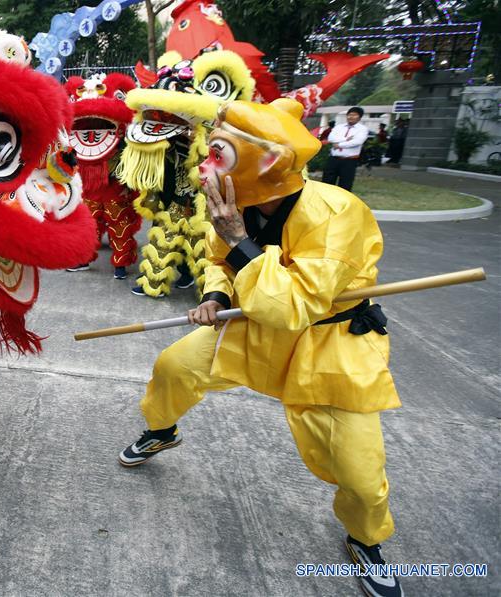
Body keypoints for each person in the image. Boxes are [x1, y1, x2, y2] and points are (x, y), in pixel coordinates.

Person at [118, 98, 404, 597]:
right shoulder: (236, 200)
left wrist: (237, 239)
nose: (205, 162)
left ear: (267, 162)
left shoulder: (337, 213)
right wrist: (214, 294)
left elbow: (292, 305)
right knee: (175, 366)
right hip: (253, 324)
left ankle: (365, 540)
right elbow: (218, 260)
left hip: (327, 343)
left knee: (359, 473)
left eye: (219, 153)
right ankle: (162, 429)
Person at [322, 106, 368, 191]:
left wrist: (339, 145)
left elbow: (357, 142)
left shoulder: (362, 129)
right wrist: (345, 139)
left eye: (354, 115)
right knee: (327, 182)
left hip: (349, 161)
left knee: (345, 184)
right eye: (349, 114)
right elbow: (331, 138)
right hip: (333, 159)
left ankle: (342, 202)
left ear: (359, 117)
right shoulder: (339, 127)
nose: (351, 117)